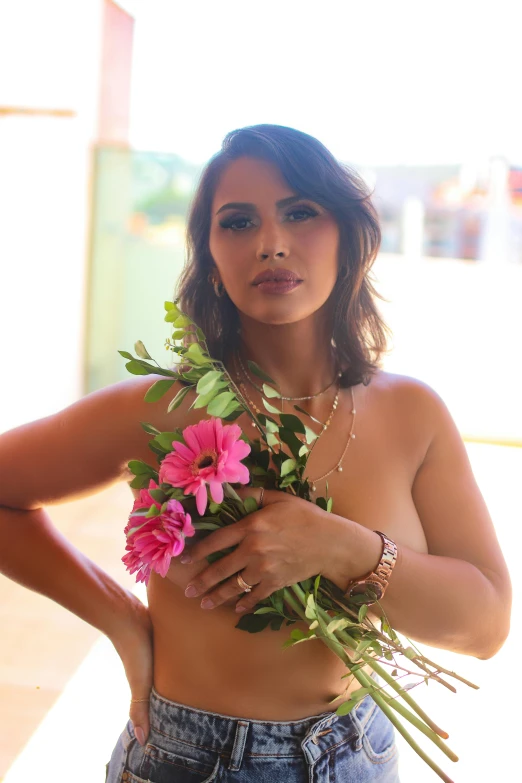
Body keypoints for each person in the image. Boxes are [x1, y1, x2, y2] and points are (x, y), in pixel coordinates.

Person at [0, 124, 511, 782]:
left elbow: (485, 626)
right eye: (237, 222)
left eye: (301, 211)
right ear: (210, 254)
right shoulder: (161, 410)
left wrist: (341, 547)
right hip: (190, 762)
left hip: (361, 754)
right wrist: (125, 623)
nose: (271, 242)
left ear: (349, 234)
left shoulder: (414, 414)